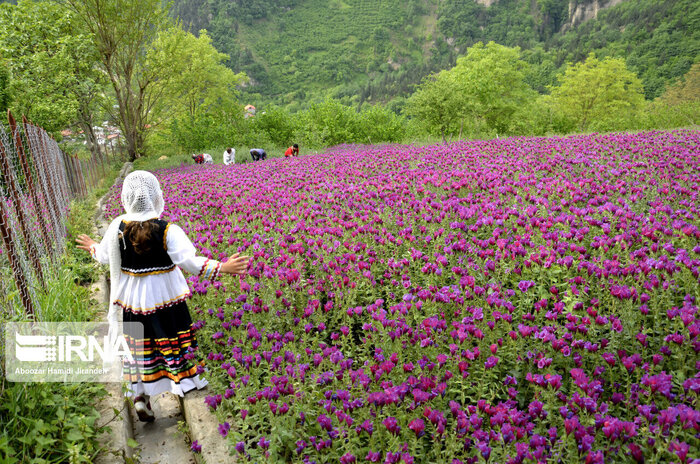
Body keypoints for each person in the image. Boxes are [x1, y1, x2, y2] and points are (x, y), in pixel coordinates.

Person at [75, 171, 249, 422]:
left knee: (138, 349)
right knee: (171, 342)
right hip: (166, 301)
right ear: (156, 196)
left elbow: (104, 256)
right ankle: (182, 383)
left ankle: (139, 396)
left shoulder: (117, 229)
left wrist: (93, 245)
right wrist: (222, 267)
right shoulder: (168, 230)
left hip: (131, 303)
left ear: (127, 198)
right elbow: (189, 261)